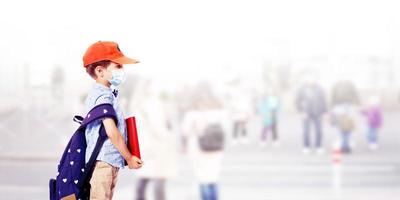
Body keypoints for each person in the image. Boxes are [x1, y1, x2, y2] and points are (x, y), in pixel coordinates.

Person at [82, 41, 143, 200]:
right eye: (118, 66)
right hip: (103, 163)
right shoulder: (103, 95)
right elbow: (111, 131)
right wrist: (129, 157)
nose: (123, 70)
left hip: (109, 162)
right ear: (100, 71)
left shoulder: (106, 93)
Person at [181, 84, 228, 200]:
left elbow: (185, 132)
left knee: (203, 178)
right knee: (213, 177)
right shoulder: (220, 111)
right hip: (216, 148)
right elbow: (226, 129)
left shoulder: (192, 113)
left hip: (198, 148)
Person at [134, 80, 177, 200]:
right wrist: (167, 138)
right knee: (159, 178)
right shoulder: (152, 103)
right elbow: (157, 125)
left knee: (144, 177)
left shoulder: (138, 103)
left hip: (144, 144)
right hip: (157, 144)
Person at [295, 73, 327, 155]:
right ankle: (306, 146)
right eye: (309, 78)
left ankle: (319, 146)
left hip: (318, 112)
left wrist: (324, 112)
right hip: (306, 113)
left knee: (319, 131)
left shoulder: (320, 88)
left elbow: (323, 100)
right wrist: (301, 111)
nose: (311, 80)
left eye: (312, 78)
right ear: (306, 79)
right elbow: (297, 101)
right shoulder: (302, 89)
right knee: (306, 131)